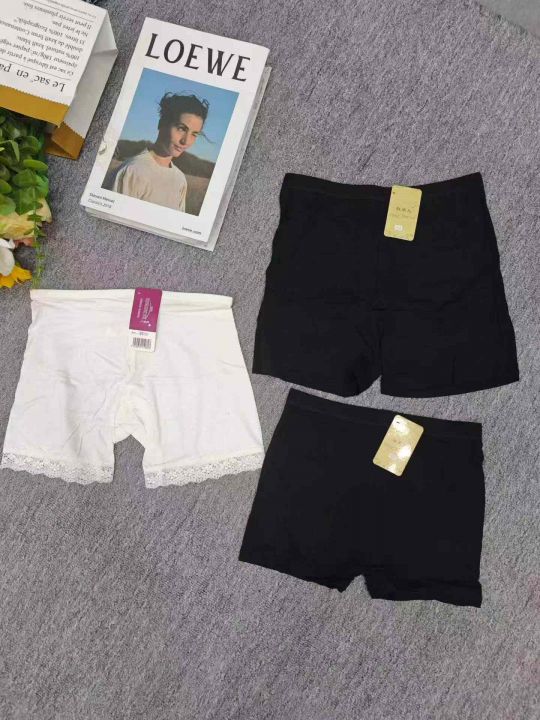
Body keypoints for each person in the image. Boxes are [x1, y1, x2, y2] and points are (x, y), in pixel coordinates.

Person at [110, 93, 209, 212]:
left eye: (194, 134)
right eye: (181, 128)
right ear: (162, 124)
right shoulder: (133, 170)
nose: (186, 141)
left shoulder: (180, 180)